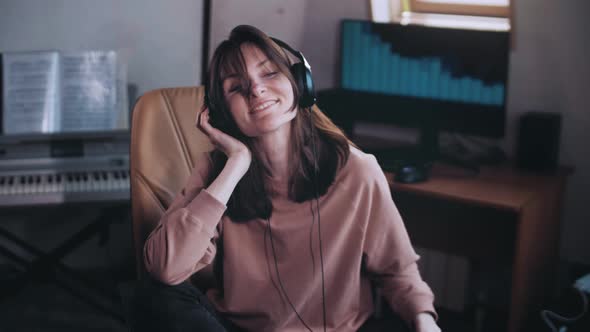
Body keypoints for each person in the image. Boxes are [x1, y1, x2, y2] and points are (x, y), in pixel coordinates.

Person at [131, 25, 441, 332]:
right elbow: (165, 269)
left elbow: (396, 268)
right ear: (223, 113)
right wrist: (236, 165)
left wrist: (424, 321)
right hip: (237, 327)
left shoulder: (356, 170)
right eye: (236, 88)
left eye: (269, 73)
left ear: (299, 82)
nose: (256, 89)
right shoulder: (218, 171)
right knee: (153, 296)